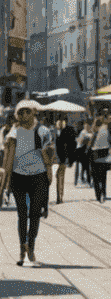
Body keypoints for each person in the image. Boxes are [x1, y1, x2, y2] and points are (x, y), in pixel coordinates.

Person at [2, 100, 56, 266]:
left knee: (34, 214)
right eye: (21, 112)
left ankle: (30, 244)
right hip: (19, 177)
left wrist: (48, 173)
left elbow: (50, 154)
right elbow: (8, 158)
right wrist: (5, 182)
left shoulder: (43, 131)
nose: (24, 115)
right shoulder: (14, 132)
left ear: (34, 113)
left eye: (27, 112)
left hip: (38, 177)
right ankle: (21, 249)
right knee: (22, 214)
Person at [87, 115, 111, 202]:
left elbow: (90, 144)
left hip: (95, 155)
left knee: (95, 176)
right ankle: (103, 192)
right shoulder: (106, 130)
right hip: (105, 155)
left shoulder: (94, 131)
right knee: (103, 176)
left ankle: (98, 194)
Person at [54, 118, 77, 205]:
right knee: (59, 176)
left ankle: (59, 196)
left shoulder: (68, 130)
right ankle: (59, 196)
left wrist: (69, 158)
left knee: (60, 176)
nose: (59, 123)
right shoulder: (53, 131)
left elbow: (71, 144)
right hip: (53, 157)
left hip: (62, 157)